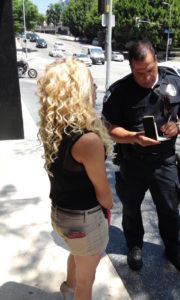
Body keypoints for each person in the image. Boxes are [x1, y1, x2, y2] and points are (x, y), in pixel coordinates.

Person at [102, 40, 180, 275]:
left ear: (156, 60)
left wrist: (179, 127)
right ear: (131, 68)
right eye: (139, 73)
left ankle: (173, 250)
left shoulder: (175, 82)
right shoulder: (120, 91)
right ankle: (134, 245)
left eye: (150, 70)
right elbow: (110, 129)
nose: (145, 77)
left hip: (164, 161)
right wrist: (134, 137)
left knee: (169, 209)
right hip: (132, 160)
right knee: (131, 208)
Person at [37, 58, 113, 300]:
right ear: (78, 92)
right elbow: (103, 192)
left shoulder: (56, 129)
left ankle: (67, 288)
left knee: (76, 253)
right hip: (84, 220)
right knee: (87, 281)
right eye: (91, 84)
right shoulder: (88, 140)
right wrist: (109, 206)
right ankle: (74, 290)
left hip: (61, 215)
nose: (96, 90)